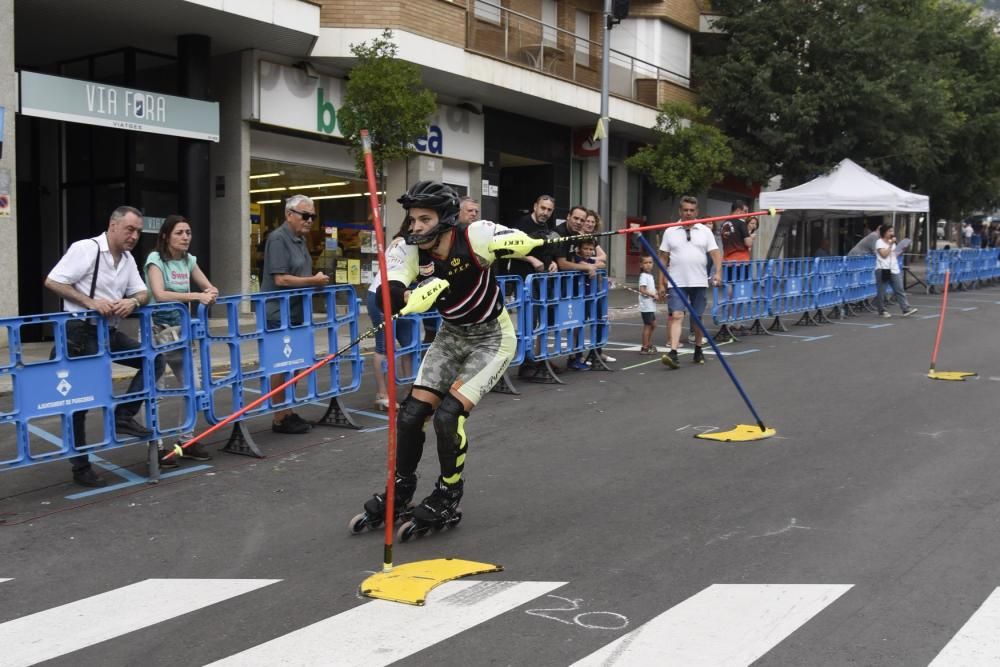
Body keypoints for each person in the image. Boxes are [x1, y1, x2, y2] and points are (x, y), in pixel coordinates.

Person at [358, 180, 542, 533]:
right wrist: (407, 298)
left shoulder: (475, 235)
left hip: (492, 338)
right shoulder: (409, 248)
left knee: (447, 417)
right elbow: (391, 287)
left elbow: (520, 240)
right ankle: (402, 489)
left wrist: (522, 244)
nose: (415, 227)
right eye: (412, 219)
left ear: (444, 218)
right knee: (411, 415)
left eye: (423, 219)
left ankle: (448, 494)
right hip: (450, 337)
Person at [44, 205, 162, 487]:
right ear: (112, 225)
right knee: (80, 403)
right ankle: (81, 467)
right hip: (80, 331)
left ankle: (123, 416)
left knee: (153, 360)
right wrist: (90, 302)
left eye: (137, 231)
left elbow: (143, 292)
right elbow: (52, 280)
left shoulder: (127, 259)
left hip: (108, 331)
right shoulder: (86, 249)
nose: (134, 236)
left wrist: (132, 302)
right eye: (129, 229)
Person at [144, 215, 218, 465]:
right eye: (179, 233)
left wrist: (210, 292)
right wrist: (198, 296)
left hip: (182, 332)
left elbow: (209, 287)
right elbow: (159, 293)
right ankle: (156, 444)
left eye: (188, 232)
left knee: (194, 387)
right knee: (156, 392)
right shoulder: (155, 260)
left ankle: (186, 440)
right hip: (156, 331)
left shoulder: (189, 260)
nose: (186, 237)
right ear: (166, 236)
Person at [261, 194, 329, 434]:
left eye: (313, 216)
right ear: (289, 215)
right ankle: (279, 416)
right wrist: (313, 280)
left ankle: (287, 410)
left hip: (298, 311)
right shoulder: (278, 238)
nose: (310, 220)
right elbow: (280, 278)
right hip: (279, 312)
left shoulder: (300, 239)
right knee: (281, 364)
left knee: (296, 363)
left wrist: (314, 282)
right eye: (305, 215)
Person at [496, 195, 559, 380]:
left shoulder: (544, 227)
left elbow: (544, 250)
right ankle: (525, 367)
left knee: (539, 324)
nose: (545, 212)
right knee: (527, 325)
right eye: (543, 208)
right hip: (524, 282)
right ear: (535, 206)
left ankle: (536, 361)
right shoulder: (522, 225)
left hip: (541, 282)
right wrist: (530, 259)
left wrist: (553, 262)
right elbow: (506, 249)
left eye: (549, 210)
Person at [657, 196, 721, 369]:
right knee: (677, 315)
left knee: (697, 318)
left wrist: (718, 273)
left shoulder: (705, 231)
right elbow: (663, 258)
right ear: (680, 211)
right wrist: (661, 283)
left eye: (692, 210)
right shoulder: (670, 231)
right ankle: (674, 353)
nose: (688, 213)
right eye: (685, 210)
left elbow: (715, 253)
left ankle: (698, 349)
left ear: (696, 212)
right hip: (676, 281)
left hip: (699, 281)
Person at [367, 219, 414, 411]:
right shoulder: (402, 243)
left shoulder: (417, 243)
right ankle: (382, 394)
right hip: (381, 295)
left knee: (409, 344)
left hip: (404, 296)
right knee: (384, 347)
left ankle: (410, 390)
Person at [566, 237, 597, 371]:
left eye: (591, 249)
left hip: (587, 298)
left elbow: (601, 263)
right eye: (586, 248)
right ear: (579, 249)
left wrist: (593, 266)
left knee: (581, 328)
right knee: (575, 329)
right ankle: (573, 357)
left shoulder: (590, 261)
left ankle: (579, 356)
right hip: (576, 299)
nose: (589, 252)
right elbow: (575, 264)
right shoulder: (576, 259)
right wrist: (589, 267)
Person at [875, 224, 918, 318]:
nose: (892, 233)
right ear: (884, 232)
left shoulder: (893, 243)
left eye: (892, 231)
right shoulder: (879, 242)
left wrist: (901, 249)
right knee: (882, 291)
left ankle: (905, 308)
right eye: (889, 231)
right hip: (883, 268)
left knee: (899, 289)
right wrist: (890, 245)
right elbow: (883, 255)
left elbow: (894, 255)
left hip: (894, 268)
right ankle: (882, 310)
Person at [637, 254, 658, 354]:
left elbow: (651, 288)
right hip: (646, 306)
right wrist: (653, 295)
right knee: (648, 325)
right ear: (641, 265)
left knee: (653, 325)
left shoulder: (650, 276)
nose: (648, 265)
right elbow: (642, 290)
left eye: (650, 262)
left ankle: (648, 343)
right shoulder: (643, 276)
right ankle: (645, 347)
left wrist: (656, 293)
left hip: (651, 306)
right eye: (645, 263)